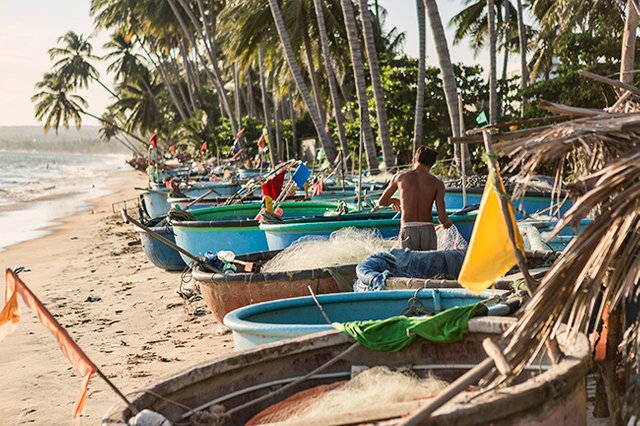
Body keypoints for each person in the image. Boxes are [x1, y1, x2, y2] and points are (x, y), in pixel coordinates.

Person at [377, 146, 453, 251]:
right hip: (428, 230)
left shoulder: (400, 177)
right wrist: (447, 223)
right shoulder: (437, 183)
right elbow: (442, 218)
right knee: (428, 266)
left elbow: (382, 202)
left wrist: (394, 201)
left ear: (414, 159)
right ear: (432, 164)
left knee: (408, 266)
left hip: (408, 228)